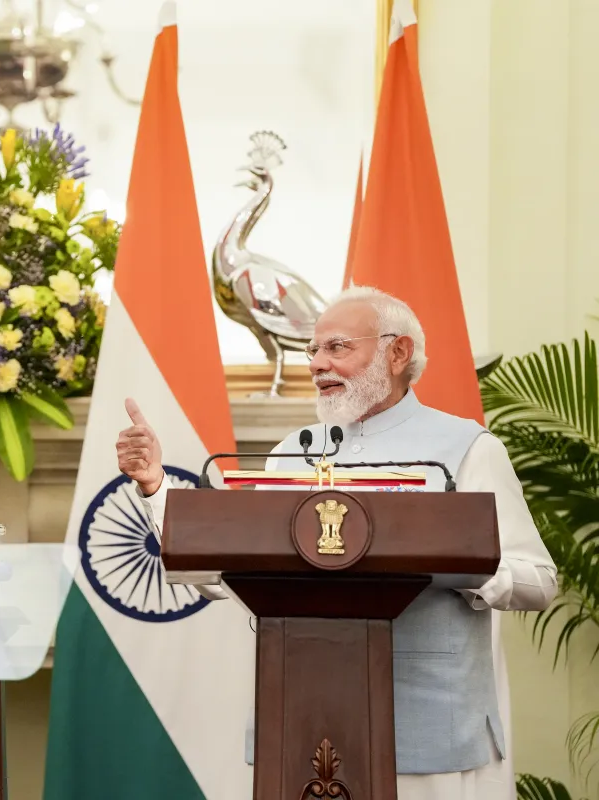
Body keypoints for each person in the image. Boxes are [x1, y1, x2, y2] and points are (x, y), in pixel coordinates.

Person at [116, 285, 557, 800]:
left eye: (337, 347)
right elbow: (224, 572)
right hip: (302, 717)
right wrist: (155, 487)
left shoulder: (468, 449)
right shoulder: (292, 453)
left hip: (428, 727)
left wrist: (458, 564)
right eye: (313, 350)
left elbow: (538, 581)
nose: (317, 364)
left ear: (398, 353)